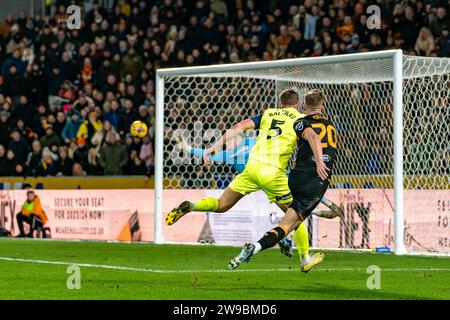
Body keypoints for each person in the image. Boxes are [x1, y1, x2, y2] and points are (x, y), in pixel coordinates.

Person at [166, 89, 328, 272]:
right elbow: (313, 138)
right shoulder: (300, 120)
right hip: (273, 173)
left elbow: (237, 128)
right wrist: (318, 162)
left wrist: (214, 147)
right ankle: (305, 258)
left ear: (280, 103)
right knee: (296, 215)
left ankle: (192, 206)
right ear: (297, 104)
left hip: (252, 168)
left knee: (221, 204)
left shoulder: (267, 114)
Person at [228, 89, 337, 270]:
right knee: (290, 222)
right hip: (316, 179)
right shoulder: (328, 124)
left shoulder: (299, 122)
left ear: (303, 106)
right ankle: (259, 247)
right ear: (323, 106)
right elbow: (314, 137)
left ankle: (290, 243)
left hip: (294, 176)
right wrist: (319, 162)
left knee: (294, 214)